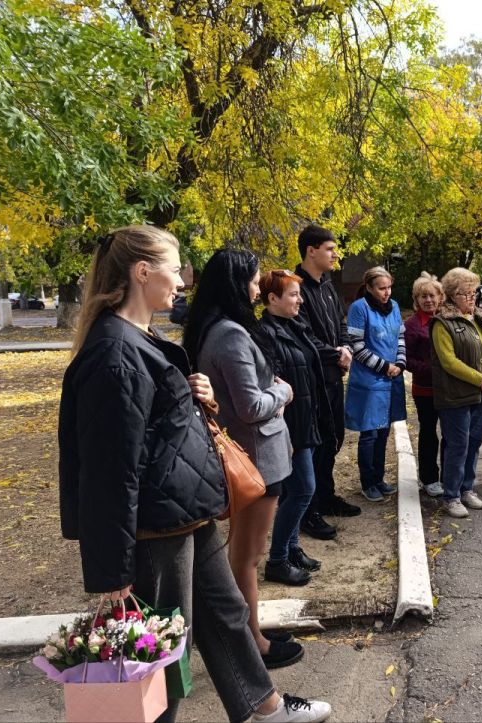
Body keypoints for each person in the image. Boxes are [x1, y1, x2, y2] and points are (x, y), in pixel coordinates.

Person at [58, 225, 329, 723]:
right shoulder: (115, 353)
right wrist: (112, 571)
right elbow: (107, 472)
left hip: (186, 512)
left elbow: (156, 426)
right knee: (164, 644)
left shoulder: (140, 338)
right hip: (156, 526)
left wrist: (195, 392)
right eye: (174, 265)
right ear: (142, 272)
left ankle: (263, 708)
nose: (184, 279)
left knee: (225, 617)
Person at [184, 249, 305, 670]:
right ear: (236, 283)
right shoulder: (230, 333)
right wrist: (283, 392)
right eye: (254, 280)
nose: (258, 287)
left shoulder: (211, 329)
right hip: (255, 461)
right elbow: (252, 405)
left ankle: (250, 634)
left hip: (255, 453)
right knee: (247, 556)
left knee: (244, 554)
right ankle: (253, 644)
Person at [259, 270, 334, 582]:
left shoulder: (294, 326)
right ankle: (277, 559)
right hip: (290, 427)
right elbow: (273, 385)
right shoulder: (265, 334)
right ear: (273, 299)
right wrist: (285, 433)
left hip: (305, 419)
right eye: (293, 295)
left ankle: (291, 548)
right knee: (304, 490)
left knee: (295, 490)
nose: (300, 300)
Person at [293, 224, 360, 541]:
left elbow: (342, 324)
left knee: (333, 438)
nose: (335, 255)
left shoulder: (329, 287)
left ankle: (326, 495)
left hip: (334, 378)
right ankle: (309, 510)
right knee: (315, 444)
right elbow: (301, 336)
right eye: (331, 249)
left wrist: (345, 348)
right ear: (311, 250)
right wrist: (335, 354)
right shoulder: (296, 289)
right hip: (311, 382)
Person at [430, 267, 482, 518]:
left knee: (473, 443)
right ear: (451, 295)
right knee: (457, 446)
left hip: (480, 395)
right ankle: (451, 495)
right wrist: (480, 379)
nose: (472, 298)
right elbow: (448, 361)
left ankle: (466, 488)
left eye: (474, 293)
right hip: (455, 396)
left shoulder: (480, 318)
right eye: (465, 294)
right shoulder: (442, 323)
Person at [345, 267, 407, 501]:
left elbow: (400, 336)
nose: (386, 292)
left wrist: (400, 362)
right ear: (369, 287)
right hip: (369, 381)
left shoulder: (395, 307)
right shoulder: (359, 308)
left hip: (391, 378)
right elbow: (357, 346)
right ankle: (367, 482)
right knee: (369, 433)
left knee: (384, 431)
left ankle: (379, 478)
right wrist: (385, 366)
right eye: (381, 288)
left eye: (389, 287)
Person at [404, 272, 446, 497]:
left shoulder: (447, 319)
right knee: (429, 433)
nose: (428, 300)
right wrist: (430, 369)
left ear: (440, 297)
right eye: (423, 296)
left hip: (449, 389)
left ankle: (449, 476)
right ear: (416, 299)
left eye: (431, 295)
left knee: (450, 433)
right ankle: (429, 478)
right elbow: (406, 359)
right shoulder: (411, 325)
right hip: (425, 389)